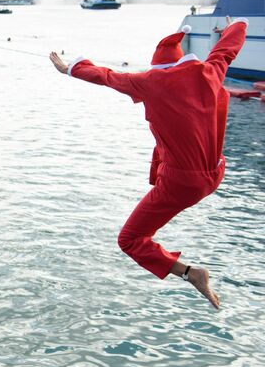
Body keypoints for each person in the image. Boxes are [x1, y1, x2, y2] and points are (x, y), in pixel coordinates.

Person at [48, 16, 248, 309]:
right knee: (164, 158)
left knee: (130, 239)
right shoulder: (209, 72)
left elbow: (106, 76)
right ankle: (192, 273)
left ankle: (192, 274)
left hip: (183, 183)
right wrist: (235, 26)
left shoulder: (149, 82)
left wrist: (69, 70)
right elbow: (226, 50)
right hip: (213, 174)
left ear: (157, 68)